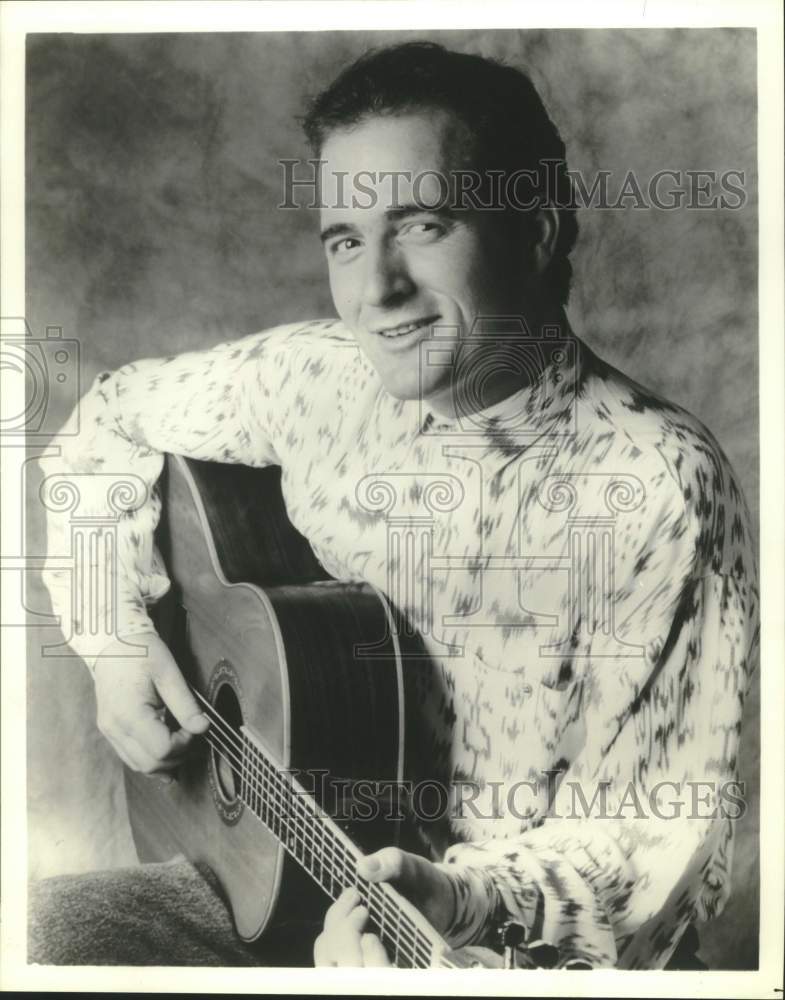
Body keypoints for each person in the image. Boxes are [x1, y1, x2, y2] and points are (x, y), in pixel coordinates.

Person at [32, 41, 758, 970]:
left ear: (535, 230)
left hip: (493, 954)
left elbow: (652, 855)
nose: (374, 292)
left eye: (421, 226)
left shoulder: (656, 486)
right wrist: (110, 639)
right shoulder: (317, 378)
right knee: (46, 936)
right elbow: (108, 421)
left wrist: (459, 902)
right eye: (345, 240)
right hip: (264, 872)